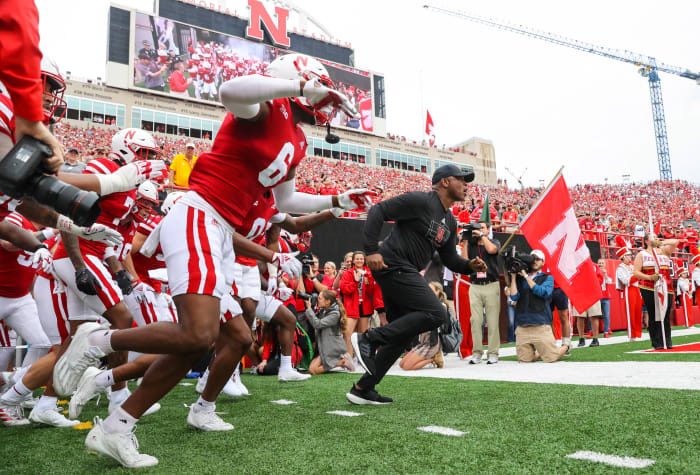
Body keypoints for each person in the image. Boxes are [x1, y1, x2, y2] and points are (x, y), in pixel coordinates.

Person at [54, 52, 372, 467]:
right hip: (199, 212)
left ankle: (117, 428)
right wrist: (296, 88)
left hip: (221, 230)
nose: (325, 104)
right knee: (197, 334)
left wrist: (338, 199)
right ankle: (99, 341)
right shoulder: (265, 107)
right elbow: (228, 90)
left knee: (197, 345)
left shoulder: (297, 137)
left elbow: (287, 201)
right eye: (314, 88)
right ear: (296, 80)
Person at [348, 164, 486, 405]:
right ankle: (368, 339)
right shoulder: (421, 201)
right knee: (436, 314)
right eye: (462, 180)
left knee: (403, 334)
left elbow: (450, 259)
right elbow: (378, 210)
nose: (466, 185)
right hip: (392, 264)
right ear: (444, 182)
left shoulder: (450, 222)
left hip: (405, 271)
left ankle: (362, 388)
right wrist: (370, 250)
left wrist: (468, 267)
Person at [510, 250, 569, 362]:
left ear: (543, 262)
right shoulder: (520, 278)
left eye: (538, 259)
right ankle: (539, 353)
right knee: (525, 360)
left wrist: (526, 276)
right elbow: (514, 297)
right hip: (522, 325)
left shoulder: (548, 278)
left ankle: (565, 347)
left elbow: (542, 292)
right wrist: (513, 277)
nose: (534, 261)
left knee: (552, 358)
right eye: (532, 258)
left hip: (540, 325)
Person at [463, 219, 501, 364]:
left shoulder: (494, 241)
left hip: (491, 284)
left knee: (492, 321)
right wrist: (466, 241)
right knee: (475, 320)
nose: (479, 230)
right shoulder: (471, 245)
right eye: (477, 228)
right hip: (475, 285)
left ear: (487, 229)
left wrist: (482, 236)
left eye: (482, 228)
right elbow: (464, 262)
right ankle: (477, 352)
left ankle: (493, 353)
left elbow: (492, 250)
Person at [633, 233, 678, 350]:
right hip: (649, 286)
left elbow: (676, 242)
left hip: (666, 286)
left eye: (657, 237)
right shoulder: (642, 254)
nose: (656, 239)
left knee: (666, 313)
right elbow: (636, 272)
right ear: (647, 241)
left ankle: (667, 341)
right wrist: (649, 277)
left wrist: (661, 243)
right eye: (653, 238)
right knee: (654, 314)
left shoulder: (664, 251)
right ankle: (657, 342)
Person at [340, 251, 381, 357]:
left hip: (364, 307)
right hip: (351, 307)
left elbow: (371, 292)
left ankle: (362, 358)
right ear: (353, 260)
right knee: (348, 333)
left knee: (362, 335)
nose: (359, 261)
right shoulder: (348, 273)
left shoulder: (368, 273)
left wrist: (369, 283)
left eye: (361, 259)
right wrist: (355, 281)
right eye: (357, 259)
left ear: (364, 260)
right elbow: (344, 290)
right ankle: (349, 357)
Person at [399, 282, 447, 370]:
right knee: (401, 364)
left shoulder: (441, 307)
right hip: (421, 342)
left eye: (430, 290)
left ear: (438, 292)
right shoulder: (424, 304)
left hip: (432, 343)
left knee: (407, 367)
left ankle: (434, 358)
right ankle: (432, 358)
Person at [304, 290, 354, 374]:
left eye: (319, 298)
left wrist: (309, 309)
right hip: (323, 347)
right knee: (312, 369)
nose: (317, 300)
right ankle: (340, 361)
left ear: (328, 302)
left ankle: (342, 362)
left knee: (313, 370)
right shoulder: (324, 311)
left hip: (331, 349)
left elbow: (317, 324)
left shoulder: (335, 314)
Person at [614, 236, 643, 341]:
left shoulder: (631, 266)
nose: (630, 257)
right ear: (623, 257)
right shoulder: (620, 268)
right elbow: (626, 281)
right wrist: (637, 275)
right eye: (628, 256)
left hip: (636, 289)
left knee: (637, 312)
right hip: (629, 290)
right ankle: (632, 335)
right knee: (630, 312)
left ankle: (638, 333)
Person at [572, 260, 604, 347]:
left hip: (592, 293)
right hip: (580, 293)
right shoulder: (576, 265)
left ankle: (595, 339)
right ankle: (581, 338)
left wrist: (591, 285)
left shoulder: (594, 266)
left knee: (594, 316)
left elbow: (600, 278)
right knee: (580, 316)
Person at [598, 258, 613, 337]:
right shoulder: (595, 273)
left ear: (605, 264)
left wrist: (605, 274)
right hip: (597, 297)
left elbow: (609, 282)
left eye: (602, 263)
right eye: (599, 263)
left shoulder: (608, 273)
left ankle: (606, 331)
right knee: (594, 315)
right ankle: (592, 331)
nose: (601, 264)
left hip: (606, 296)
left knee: (606, 315)